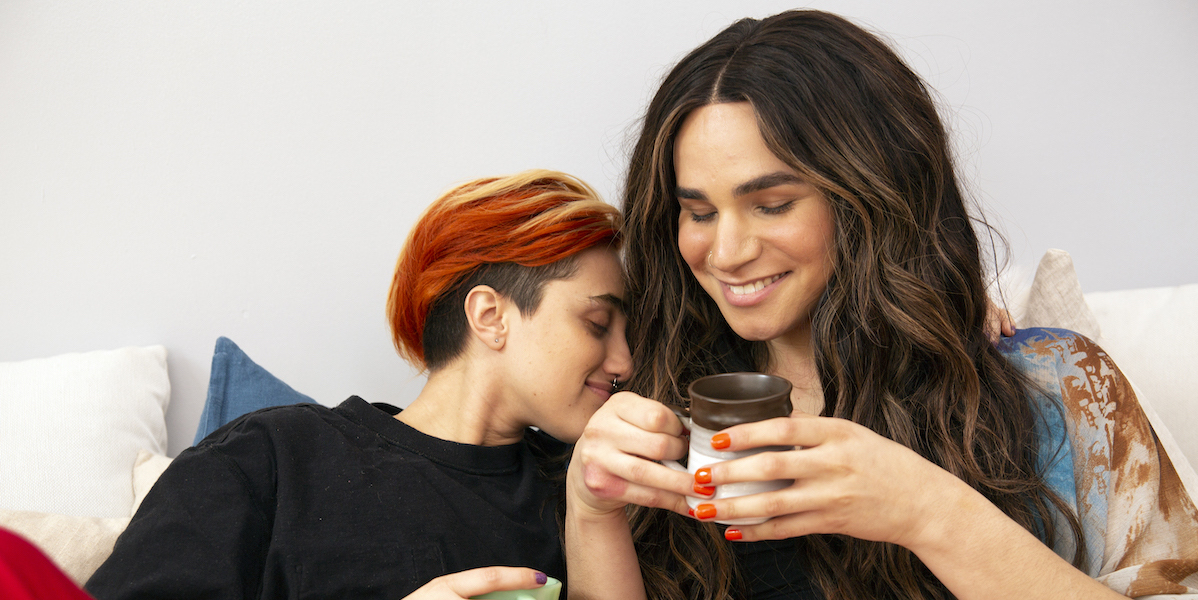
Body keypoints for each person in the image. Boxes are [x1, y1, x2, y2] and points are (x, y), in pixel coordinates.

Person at [564, 10, 1198, 600]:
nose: (725, 252)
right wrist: (591, 513)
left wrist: (928, 511)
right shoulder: (645, 397)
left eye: (773, 204)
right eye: (698, 212)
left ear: (870, 195)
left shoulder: (1056, 388)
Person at [86, 170, 632, 599]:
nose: (624, 362)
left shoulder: (587, 487)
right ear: (490, 317)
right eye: (597, 324)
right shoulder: (271, 459)